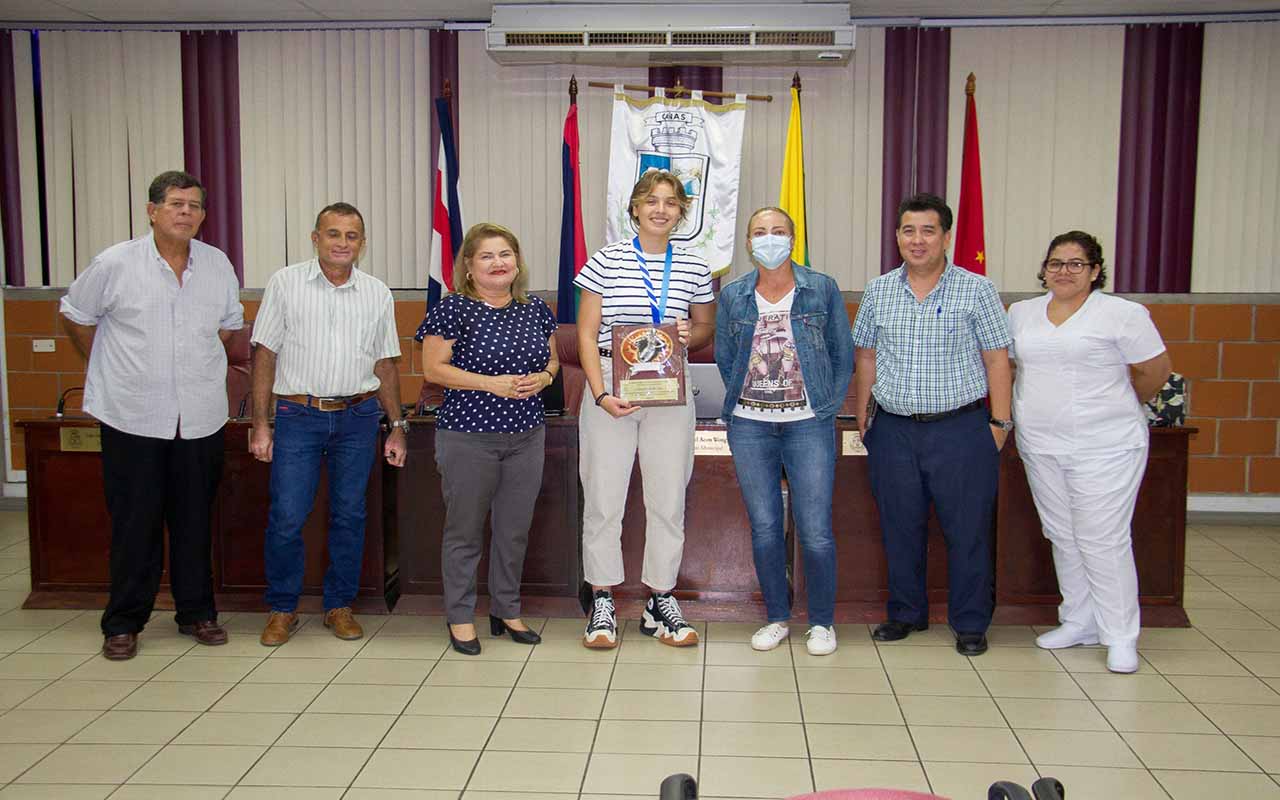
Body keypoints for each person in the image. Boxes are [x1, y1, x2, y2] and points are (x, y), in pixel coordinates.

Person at [60, 170, 243, 660]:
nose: (186, 212)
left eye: (194, 206)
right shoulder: (115, 263)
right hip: (133, 416)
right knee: (134, 522)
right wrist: (107, 365)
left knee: (194, 521)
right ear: (152, 210)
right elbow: (75, 315)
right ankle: (123, 622)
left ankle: (197, 613)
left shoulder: (217, 265)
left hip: (200, 416)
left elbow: (226, 330)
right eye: (176, 203)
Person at [851, 193, 1012, 657]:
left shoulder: (977, 289)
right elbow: (867, 355)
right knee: (900, 527)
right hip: (894, 430)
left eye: (927, 231)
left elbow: (997, 359)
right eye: (907, 231)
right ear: (897, 237)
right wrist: (865, 415)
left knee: (968, 530)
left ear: (946, 236)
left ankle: (970, 622)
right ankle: (906, 614)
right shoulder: (879, 290)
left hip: (961, 429)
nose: (916, 240)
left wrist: (999, 422)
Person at [1008, 231, 1171, 674]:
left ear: (1095, 271)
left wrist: (1114, 407)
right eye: (1056, 263)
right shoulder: (1021, 313)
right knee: (1061, 532)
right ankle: (1078, 620)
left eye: (1076, 264)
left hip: (1107, 445)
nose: (1064, 271)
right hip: (1040, 443)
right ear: (1044, 269)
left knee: (1102, 538)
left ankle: (1120, 635)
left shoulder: (1122, 314)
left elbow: (1155, 371)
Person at [249, 202, 408, 647]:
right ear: (315, 238)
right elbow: (264, 355)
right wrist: (260, 424)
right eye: (333, 234)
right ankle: (282, 609)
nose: (342, 243)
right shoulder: (285, 284)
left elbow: (386, 364)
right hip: (297, 416)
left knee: (350, 516)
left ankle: (339, 605)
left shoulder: (377, 292)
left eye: (351, 235)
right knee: (286, 516)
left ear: (362, 243)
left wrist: (396, 425)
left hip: (358, 417)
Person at [574, 170, 715, 649]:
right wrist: (599, 393)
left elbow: (703, 328)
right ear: (633, 208)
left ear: (681, 212)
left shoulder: (696, 266)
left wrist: (685, 336)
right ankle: (602, 599)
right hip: (611, 386)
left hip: (669, 389)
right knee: (604, 499)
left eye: (671, 202)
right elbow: (587, 334)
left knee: (668, 499)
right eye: (651, 201)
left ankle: (660, 599)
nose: (660, 209)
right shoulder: (604, 261)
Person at [715, 207, 854, 656]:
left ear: (793, 239)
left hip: (807, 425)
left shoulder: (822, 288)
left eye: (778, 231)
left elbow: (841, 353)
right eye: (760, 233)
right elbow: (724, 354)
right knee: (765, 527)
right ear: (748, 243)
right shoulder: (734, 294)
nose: (769, 239)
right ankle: (777, 617)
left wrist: (826, 407)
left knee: (815, 528)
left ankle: (821, 622)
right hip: (751, 424)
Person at [420, 223, 558, 655]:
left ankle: (506, 610)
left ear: (517, 262)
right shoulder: (453, 308)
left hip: (527, 435)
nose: (498, 263)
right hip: (468, 436)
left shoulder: (534, 308)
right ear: (469, 266)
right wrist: (489, 384)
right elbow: (433, 370)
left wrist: (546, 376)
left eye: (505, 255)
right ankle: (461, 617)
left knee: (514, 530)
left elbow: (553, 358)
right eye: (487, 256)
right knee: (464, 532)